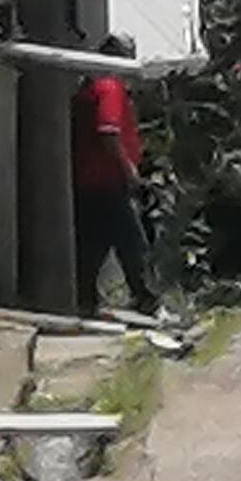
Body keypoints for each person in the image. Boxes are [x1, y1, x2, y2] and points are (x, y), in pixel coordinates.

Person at [69, 68, 161, 320]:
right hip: (107, 181)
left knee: (94, 245)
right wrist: (131, 173)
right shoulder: (110, 88)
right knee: (133, 242)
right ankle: (147, 299)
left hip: (89, 181)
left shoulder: (88, 91)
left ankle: (85, 300)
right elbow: (108, 133)